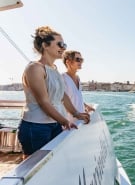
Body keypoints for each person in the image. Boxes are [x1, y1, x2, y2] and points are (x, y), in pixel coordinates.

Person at [18, 26, 90, 158]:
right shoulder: (35, 68)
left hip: (55, 124)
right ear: (45, 45)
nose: (63, 47)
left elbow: (62, 96)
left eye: (65, 44)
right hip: (36, 127)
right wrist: (65, 121)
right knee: (35, 170)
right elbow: (43, 102)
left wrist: (76, 114)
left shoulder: (54, 69)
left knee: (54, 164)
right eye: (60, 44)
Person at [62, 50, 95, 123]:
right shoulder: (62, 78)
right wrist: (77, 114)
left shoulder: (78, 78)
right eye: (77, 59)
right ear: (68, 62)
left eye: (81, 60)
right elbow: (62, 102)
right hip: (70, 122)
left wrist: (86, 106)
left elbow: (76, 97)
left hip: (81, 119)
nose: (80, 62)